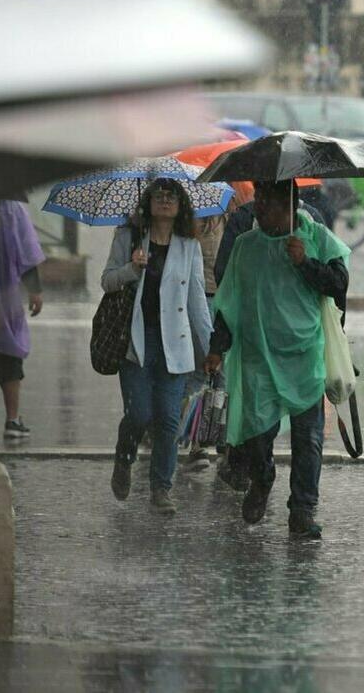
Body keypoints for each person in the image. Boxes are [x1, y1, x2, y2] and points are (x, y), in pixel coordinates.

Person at [204, 179, 350, 538]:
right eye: (259, 200)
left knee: (308, 439)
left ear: (290, 205)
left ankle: (302, 509)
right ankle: (262, 476)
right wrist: (216, 347)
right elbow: (229, 301)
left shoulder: (317, 237)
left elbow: (339, 284)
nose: (260, 208)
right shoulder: (245, 246)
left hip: (304, 357)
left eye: (268, 202)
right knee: (256, 433)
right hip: (257, 357)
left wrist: (306, 262)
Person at [100, 178, 213, 515]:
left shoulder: (188, 247)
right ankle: (124, 458)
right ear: (148, 202)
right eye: (159, 196)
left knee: (167, 422)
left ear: (181, 206)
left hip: (174, 344)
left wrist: (211, 350)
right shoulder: (127, 237)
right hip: (136, 341)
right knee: (139, 413)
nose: (165, 201)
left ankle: (161, 489)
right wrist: (132, 269)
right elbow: (107, 281)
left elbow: (196, 303)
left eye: (172, 196)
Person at [0, 200, 45, 440]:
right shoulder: (12, 208)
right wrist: (35, 290)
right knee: (8, 354)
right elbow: (26, 252)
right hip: (2, 295)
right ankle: (12, 419)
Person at [181, 210, 228, 472]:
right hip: (209, 302)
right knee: (215, 378)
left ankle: (199, 441)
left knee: (201, 377)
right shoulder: (226, 214)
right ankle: (205, 439)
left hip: (206, 301)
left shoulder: (192, 218)